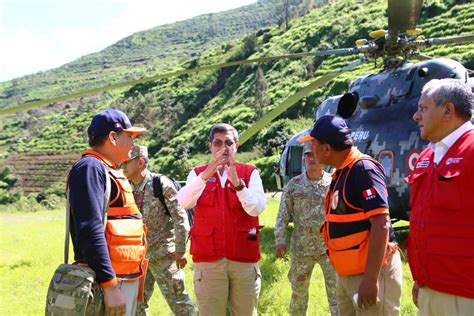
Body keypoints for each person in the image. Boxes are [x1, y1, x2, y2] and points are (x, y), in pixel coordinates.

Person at [298, 115, 402, 316]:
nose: (311, 149)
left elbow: (381, 224)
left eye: (314, 144)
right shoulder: (341, 172)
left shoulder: (363, 169)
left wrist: (371, 280)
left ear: (327, 149)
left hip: (370, 274)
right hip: (347, 274)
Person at [177, 123, 266, 316]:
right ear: (210, 145)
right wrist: (205, 175)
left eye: (228, 143)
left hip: (243, 260)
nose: (223, 148)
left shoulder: (250, 173)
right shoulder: (197, 173)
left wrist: (239, 186)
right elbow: (184, 201)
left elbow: (257, 208)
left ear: (236, 146)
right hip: (209, 262)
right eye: (217, 143)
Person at [67, 108, 148, 316]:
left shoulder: (106, 169)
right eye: (129, 136)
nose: (133, 143)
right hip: (107, 281)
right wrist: (109, 285)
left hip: (122, 278)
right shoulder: (90, 168)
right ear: (113, 137)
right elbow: (90, 229)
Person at [406, 78, 474, 315]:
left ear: (448, 111)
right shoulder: (426, 156)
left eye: (423, 108)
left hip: (465, 295)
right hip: (429, 288)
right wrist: (419, 278)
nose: (416, 116)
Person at [121, 145, 196, 316]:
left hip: (164, 257)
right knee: (136, 306)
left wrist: (180, 250)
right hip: (138, 259)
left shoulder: (160, 184)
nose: (123, 166)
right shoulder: (125, 187)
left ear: (140, 162)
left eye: (126, 162)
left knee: (180, 304)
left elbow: (180, 218)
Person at [274, 142, 338, 316]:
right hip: (301, 250)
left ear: (324, 158)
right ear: (303, 159)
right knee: (298, 296)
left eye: (316, 155)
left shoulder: (333, 183)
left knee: (337, 297)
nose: (312, 158)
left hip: (329, 250)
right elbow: (283, 214)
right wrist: (280, 240)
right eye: (308, 155)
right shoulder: (293, 185)